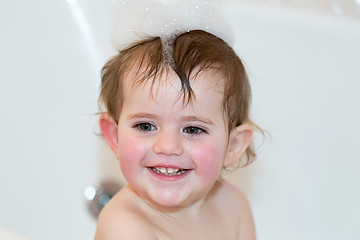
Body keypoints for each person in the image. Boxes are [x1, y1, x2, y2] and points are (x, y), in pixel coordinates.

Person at [95, 1, 257, 239]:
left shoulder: (233, 204)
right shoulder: (124, 228)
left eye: (192, 129)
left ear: (232, 146)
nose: (167, 146)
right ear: (114, 136)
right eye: (146, 125)